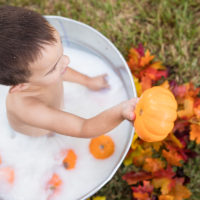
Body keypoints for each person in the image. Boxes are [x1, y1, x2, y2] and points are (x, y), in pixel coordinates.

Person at [0, 5, 138, 138]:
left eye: (61, 50)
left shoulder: (42, 73)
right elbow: (82, 127)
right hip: (38, 130)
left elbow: (61, 71)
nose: (66, 60)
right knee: (46, 132)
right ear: (21, 85)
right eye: (54, 67)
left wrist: (88, 81)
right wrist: (120, 111)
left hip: (51, 111)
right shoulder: (28, 109)